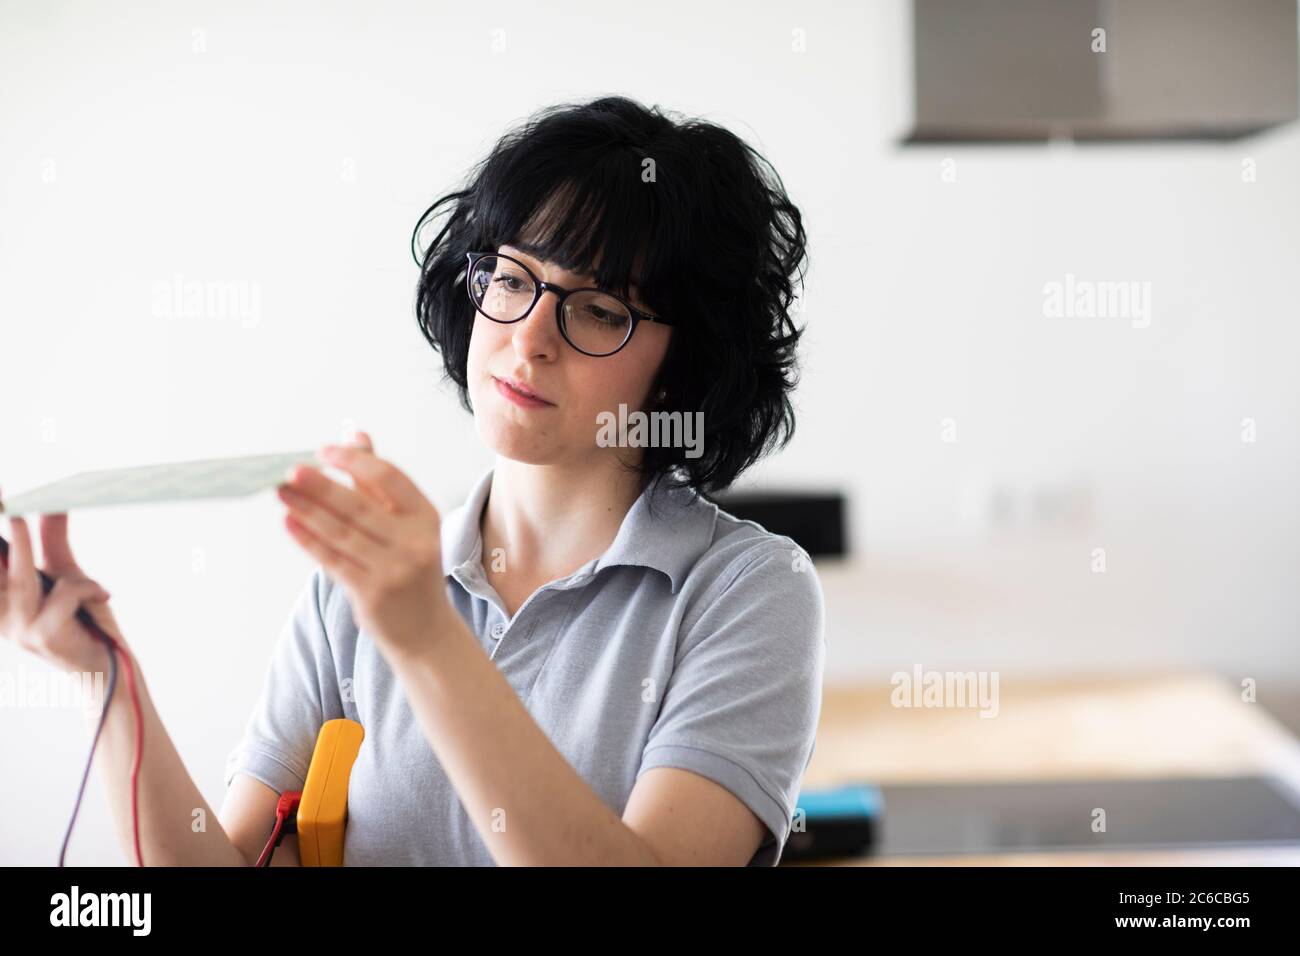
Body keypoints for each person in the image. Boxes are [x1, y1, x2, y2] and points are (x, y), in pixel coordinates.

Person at [1, 95, 824, 866]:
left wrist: (424, 637)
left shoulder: (747, 592)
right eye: (510, 278)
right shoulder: (358, 590)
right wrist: (106, 679)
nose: (527, 337)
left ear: (687, 366)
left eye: (600, 308)